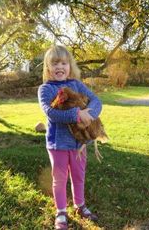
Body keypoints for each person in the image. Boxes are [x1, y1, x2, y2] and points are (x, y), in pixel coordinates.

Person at [38, 45, 102, 230]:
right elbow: (51, 112)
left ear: (70, 66)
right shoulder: (45, 89)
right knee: (59, 178)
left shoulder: (77, 85)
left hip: (79, 144)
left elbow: (97, 101)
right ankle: (61, 211)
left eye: (64, 63)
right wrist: (77, 115)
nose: (60, 67)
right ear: (48, 67)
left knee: (78, 175)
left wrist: (90, 114)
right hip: (57, 144)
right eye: (55, 63)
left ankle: (80, 205)